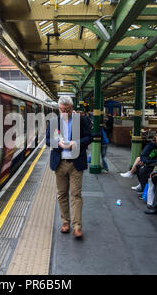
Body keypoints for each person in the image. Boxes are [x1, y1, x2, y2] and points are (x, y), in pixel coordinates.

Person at [46, 96, 92, 239]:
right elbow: (47, 140)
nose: (65, 112)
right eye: (62, 110)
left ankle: (77, 227)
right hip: (59, 163)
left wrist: (76, 142)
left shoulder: (81, 120)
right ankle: (65, 223)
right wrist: (57, 144)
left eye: (67, 110)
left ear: (72, 108)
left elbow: (89, 137)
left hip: (76, 163)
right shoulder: (54, 122)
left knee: (76, 195)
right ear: (59, 108)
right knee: (62, 194)